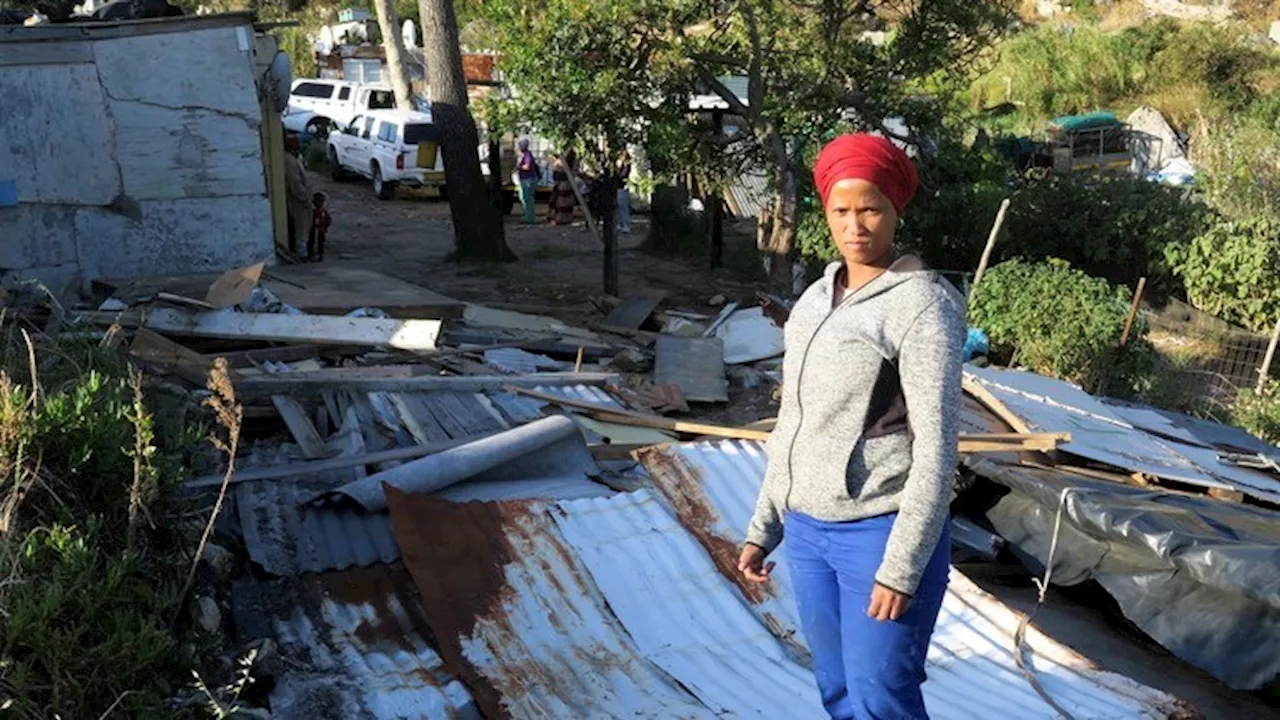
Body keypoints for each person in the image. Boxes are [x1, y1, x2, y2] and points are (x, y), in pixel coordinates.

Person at [737, 133, 965, 720]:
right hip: (809, 531)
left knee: (881, 697)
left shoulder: (921, 305)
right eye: (842, 210)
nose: (856, 224)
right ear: (825, 213)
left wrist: (901, 565)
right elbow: (794, 421)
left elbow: (938, 449)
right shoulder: (815, 298)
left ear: (895, 210)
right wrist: (766, 524)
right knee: (836, 689)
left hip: (879, 531)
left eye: (871, 208)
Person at [283, 134, 313, 259]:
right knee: (300, 229)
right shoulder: (289, 161)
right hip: (297, 201)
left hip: (300, 199)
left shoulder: (293, 159)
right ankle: (301, 254)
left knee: (304, 228)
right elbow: (294, 183)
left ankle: (303, 251)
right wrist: (305, 197)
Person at [548, 149, 577, 226]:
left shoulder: (569, 157)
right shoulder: (563, 157)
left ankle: (562, 219)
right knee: (557, 200)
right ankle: (558, 218)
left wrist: (557, 161)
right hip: (559, 181)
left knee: (562, 201)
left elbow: (565, 166)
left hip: (564, 181)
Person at [516, 138, 541, 224]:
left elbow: (527, 166)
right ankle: (528, 216)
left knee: (527, 199)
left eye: (520, 145)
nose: (518, 147)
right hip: (525, 179)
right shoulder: (524, 155)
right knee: (524, 198)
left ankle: (529, 218)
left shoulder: (527, 155)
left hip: (528, 179)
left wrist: (518, 167)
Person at [308, 191, 331, 262]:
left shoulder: (323, 212)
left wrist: (324, 227)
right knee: (311, 242)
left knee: (320, 243)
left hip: (321, 231)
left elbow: (328, 220)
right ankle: (310, 254)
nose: (320, 204)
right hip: (313, 230)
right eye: (318, 201)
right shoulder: (312, 211)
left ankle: (320, 255)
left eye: (321, 202)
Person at [615, 148, 632, 234]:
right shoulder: (617, 162)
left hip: (622, 186)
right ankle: (620, 223)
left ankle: (625, 224)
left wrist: (619, 170)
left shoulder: (626, 164)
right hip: (617, 186)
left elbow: (622, 175)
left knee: (623, 206)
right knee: (617, 206)